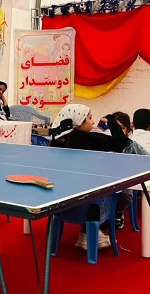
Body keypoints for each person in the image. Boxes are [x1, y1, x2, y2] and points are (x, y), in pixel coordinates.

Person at [50, 104, 128, 249]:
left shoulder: (56, 140)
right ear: (79, 122)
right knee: (124, 195)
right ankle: (93, 231)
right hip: (90, 202)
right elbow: (122, 143)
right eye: (90, 118)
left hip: (60, 202)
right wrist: (112, 120)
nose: (93, 122)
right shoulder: (93, 139)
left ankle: (86, 232)